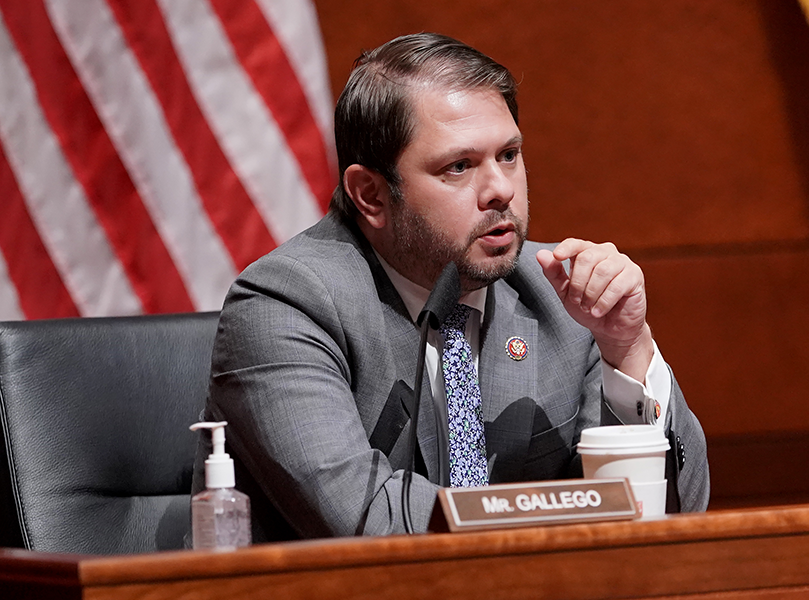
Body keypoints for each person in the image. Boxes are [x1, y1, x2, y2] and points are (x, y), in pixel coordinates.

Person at [192, 32, 710, 542]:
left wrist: (629, 347)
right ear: (370, 194)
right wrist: (560, 512)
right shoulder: (286, 305)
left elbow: (675, 512)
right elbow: (364, 522)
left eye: (508, 155)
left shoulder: (559, 292)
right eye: (459, 167)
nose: (501, 190)